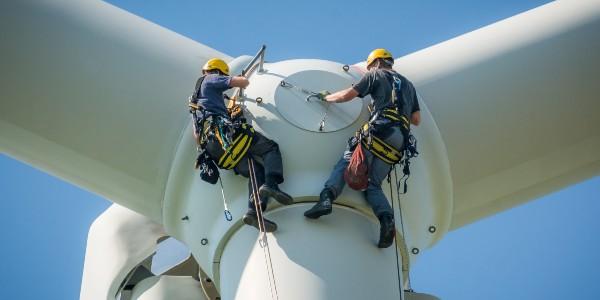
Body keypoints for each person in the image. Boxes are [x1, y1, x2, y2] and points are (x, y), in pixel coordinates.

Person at [304, 49, 421, 248]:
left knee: (347, 162)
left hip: (379, 130)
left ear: (375, 63)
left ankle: (326, 199)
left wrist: (326, 98)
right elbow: (416, 120)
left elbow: (348, 95)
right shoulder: (409, 86)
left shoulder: (375, 75)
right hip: (398, 141)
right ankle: (386, 220)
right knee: (373, 185)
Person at [190, 58, 294, 232]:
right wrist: (238, 79)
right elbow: (243, 82)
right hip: (225, 135)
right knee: (270, 148)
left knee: (255, 170)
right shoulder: (211, 79)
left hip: (214, 149)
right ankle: (272, 184)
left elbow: (195, 135)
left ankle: (253, 213)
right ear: (218, 71)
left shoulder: (195, 101)